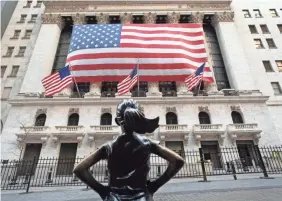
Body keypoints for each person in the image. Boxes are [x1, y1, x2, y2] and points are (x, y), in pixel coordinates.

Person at [73, 99, 184, 201]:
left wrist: (103, 191)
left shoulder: (108, 147)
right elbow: (178, 161)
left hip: (114, 198)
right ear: (139, 118)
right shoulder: (147, 143)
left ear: (117, 121)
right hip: (142, 198)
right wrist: (155, 186)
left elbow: (79, 170)